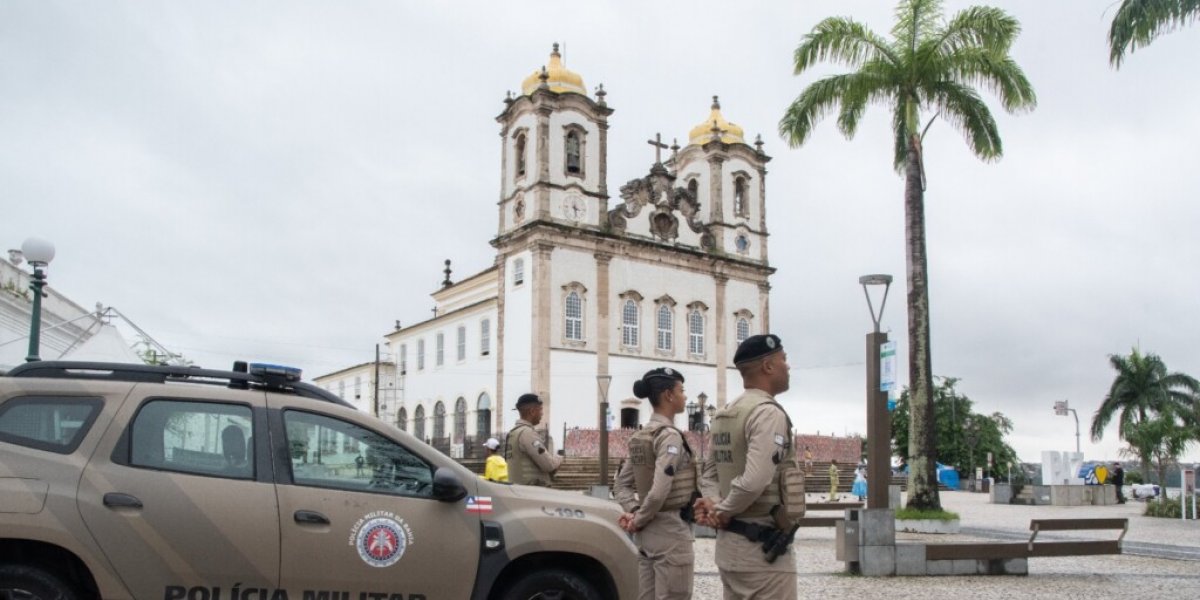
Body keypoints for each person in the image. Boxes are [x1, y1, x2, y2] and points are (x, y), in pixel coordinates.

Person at [694, 334, 801, 600]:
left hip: (731, 548)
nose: (788, 367)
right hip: (762, 551)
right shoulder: (767, 413)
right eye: (783, 360)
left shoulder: (724, 414)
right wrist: (723, 509)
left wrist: (715, 504)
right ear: (768, 366)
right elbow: (755, 480)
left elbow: (709, 473)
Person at [614, 368, 696, 600]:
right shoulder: (669, 435)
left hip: (646, 536)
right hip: (670, 532)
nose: (685, 397)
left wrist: (634, 512)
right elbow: (660, 489)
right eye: (682, 390)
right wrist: (639, 518)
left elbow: (621, 486)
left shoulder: (641, 436)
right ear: (669, 395)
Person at [504, 393, 562, 486]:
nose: (542, 413)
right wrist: (560, 459)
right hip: (532, 493)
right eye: (540, 409)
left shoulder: (512, 433)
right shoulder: (527, 433)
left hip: (518, 490)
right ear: (532, 411)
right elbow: (548, 465)